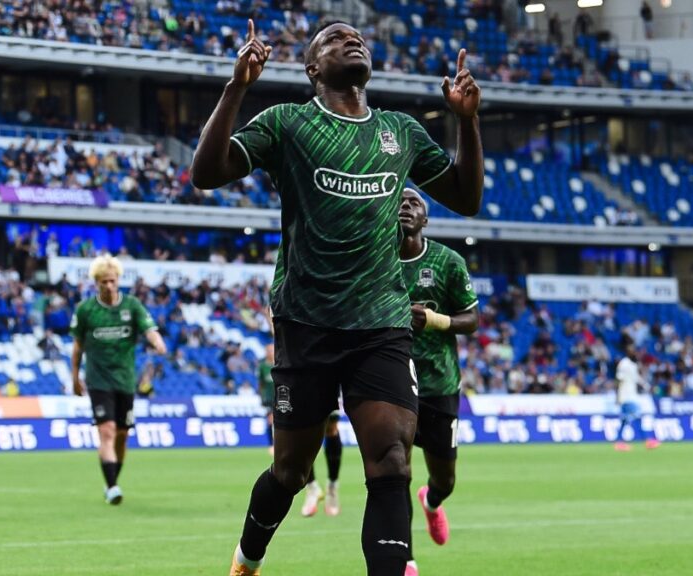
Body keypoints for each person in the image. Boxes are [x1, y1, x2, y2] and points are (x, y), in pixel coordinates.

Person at [191, 18, 482, 576]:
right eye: (334, 39)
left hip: (382, 323)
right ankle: (246, 561)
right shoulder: (290, 123)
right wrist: (237, 87)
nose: (353, 41)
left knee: (392, 461)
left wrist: (466, 124)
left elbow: (466, 197)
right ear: (312, 68)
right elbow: (207, 172)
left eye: (359, 38)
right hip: (307, 321)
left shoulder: (399, 131)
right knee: (290, 472)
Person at [397, 188, 479, 575]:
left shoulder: (448, 262)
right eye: (398, 201)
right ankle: (406, 559)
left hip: (440, 385)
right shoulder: (374, 262)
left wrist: (434, 320)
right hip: (392, 385)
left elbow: (472, 321)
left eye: (414, 203)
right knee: (394, 472)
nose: (405, 207)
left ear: (425, 219)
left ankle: (432, 502)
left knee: (444, 478)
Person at [71, 254, 167, 505]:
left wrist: (157, 342)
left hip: (124, 380)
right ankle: (113, 486)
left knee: (123, 435)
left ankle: (111, 480)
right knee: (107, 431)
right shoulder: (86, 310)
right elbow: (77, 347)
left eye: (112, 281)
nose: (109, 286)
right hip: (97, 380)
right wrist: (74, 378)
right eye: (103, 282)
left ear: (118, 280)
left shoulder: (132, 306)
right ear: (96, 283)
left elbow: (149, 329)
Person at [615, 346, 660, 452]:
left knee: (625, 420)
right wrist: (618, 396)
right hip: (626, 396)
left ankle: (619, 442)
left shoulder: (633, 364)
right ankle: (647, 441)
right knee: (636, 417)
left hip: (631, 395)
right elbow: (619, 378)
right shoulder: (624, 363)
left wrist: (647, 386)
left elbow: (637, 379)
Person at [258, 343, 276, 455]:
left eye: (272, 350)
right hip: (269, 397)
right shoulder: (263, 367)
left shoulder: (280, 364)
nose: (270, 353)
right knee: (270, 419)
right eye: (268, 350)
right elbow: (261, 384)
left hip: (282, 396)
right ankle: (271, 444)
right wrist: (262, 396)